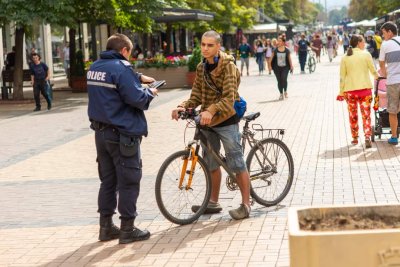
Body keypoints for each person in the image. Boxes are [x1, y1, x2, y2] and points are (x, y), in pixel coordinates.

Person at [171, 30, 252, 220]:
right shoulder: (201, 67)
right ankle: (213, 202)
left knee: (236, 160)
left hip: (226, 118)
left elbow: (229, 97)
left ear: (218, 46)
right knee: (211, 161)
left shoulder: (228, 66)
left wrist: (211, 110)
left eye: (210, 45)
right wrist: (182, 106)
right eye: (203, 44)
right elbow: (197, 96)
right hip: (207, 121)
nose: (205, 48)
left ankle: (246, 204)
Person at [87, 33, 158, 244]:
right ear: (124, 51)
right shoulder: (122, 67)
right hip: (122, 135)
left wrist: (137, 77)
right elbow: (136, 98)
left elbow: (115, 81)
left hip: (101, 134)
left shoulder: (95, 67)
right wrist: (150, 92)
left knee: (108, 181)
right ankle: (128, 229)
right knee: (129, 181)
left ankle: (106, 227)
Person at [337, 34, 378, 148]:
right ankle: (367, 136)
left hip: (350, 92)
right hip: (365, 91)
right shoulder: (366, 54)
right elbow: (373, 71)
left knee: (352, 115)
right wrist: (378, 77)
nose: (364, 44)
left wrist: (341, 92)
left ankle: (355, 138)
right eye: (363, 42)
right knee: (366, 115)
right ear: (359, 42)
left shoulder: (345, 57)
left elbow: (342, 77)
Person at [379, 22, 400, 145]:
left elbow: (381, 64)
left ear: (390, 32)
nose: (383, 36)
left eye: (384, 33)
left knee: (392, 110)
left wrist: (387, 76)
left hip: (393, 82)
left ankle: (394, 137)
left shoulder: (385, 45)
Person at [271, 36, 294, 100]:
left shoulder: (287, 50)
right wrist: (270, 66)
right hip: (277, 68)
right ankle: (281, 93)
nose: (279, 42)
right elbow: (271, 58)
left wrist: (291, 66)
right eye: (278, 41)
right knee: (279, 81)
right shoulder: (275, 50)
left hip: (285, 67)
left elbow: (289, 58)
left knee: (284, 78)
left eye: (280, 41)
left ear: (283, 42)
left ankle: (285, 91)